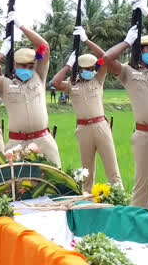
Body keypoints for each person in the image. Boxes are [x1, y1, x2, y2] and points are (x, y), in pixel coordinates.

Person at [0, 10, 61, 166]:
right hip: (16, 143)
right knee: (14, 187)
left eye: (30, 66)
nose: (28, 69)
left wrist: (20, 25)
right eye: (23, 65)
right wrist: (0, 54)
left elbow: (44, 46)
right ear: (15, 65)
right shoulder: (3, 83)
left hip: (43, 140)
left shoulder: (39, 75)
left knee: (57, 184)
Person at [103, 0, 148, 208]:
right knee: (142, 186)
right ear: (139, 51)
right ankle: (137, 223)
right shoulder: (127, 71)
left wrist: (147, 13)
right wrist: (128, 41)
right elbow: (108, 59)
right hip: (144, 135)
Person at [51, 25, 121, 193]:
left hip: (101, 126)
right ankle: (87, 200)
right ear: (79, 69)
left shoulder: (98, 79)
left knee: (113, 170)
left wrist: (86, 40)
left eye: (92, 68)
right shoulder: (71, 84)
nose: (90, 71)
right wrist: (68, 65)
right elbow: (54, 83)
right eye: (86, 69)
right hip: (83, 129)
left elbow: (106, 57)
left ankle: (120, 199)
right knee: (86, 173)